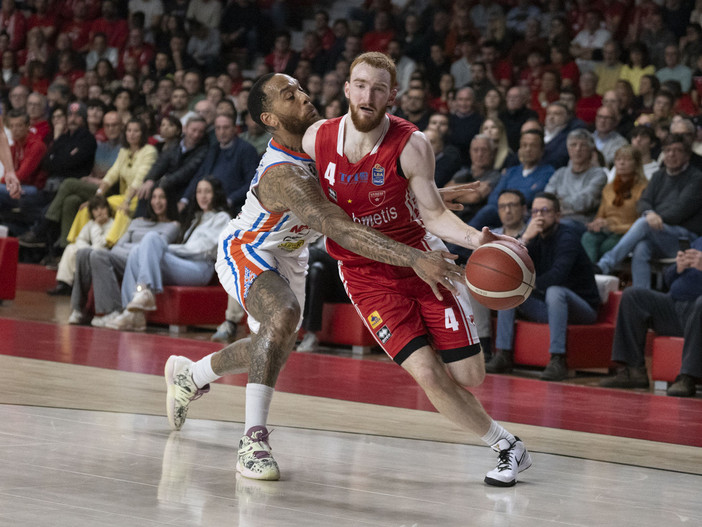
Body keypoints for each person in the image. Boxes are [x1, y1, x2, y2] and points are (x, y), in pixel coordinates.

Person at [163, 71, 468, 483]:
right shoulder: (284, 173)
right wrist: (415, 258)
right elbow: (337, 226)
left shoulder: (328, 140)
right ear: (270, 119)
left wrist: (423, 191)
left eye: (302, 89)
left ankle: (191, 376)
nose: (305, 98)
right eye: (290, 96)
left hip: (293, 255)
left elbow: (362, 190)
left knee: (270, 348)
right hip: (250, 248)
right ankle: (252, 442)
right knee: (282, 315)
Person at [306, 52, 532, 486]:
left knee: (470, 375)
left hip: (424, 263)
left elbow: (433, 215)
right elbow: (332, 203)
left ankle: (442, 338)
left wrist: (479, 240)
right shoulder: (318, 138)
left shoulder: (412, 145)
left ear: (393, 95)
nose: (367, 96)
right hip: (366, 277)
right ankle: (508, 447)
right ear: (347, 88)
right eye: (360, 85)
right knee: (427, 373)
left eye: (378, 88)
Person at [488, 192, 601, 381]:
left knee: (554, 291)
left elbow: (557, 276)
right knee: (511, 288)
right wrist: (525, 239)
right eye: (535, 212)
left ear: (557, 216)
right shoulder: (536, 238)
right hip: (550, 307)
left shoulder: (568, 238)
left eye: (545, 211)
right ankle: (503, 355)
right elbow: (512, 265)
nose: (539, 216)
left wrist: (528, 286)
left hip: (581, 308)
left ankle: (558, 359)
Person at [108, 177, 230, 332]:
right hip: (186, 263)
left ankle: (143, 294)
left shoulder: (222, 218)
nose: (202, 196)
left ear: (216, 194)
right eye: (199, 192)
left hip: (201, 269)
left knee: (152, 239)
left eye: (207, 192)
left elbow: (198, 250)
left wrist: (163, 248)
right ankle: (132, 312)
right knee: (137, 251)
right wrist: (161, 248)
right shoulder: (196, 219)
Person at [595, 134, 702, 288]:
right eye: (668, 150)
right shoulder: (659, 175)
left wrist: (652, 216)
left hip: (686, 239)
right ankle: (641, 298)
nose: (671, 154)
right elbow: (644, 202)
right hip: (659, 233)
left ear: (687, 155)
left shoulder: (696, 178)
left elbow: (680, 210)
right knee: (642, 247)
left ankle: (605, 264)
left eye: (677, 151)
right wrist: (650, 214)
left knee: (644, 223)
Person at [599, 238, 702, 396]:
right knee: (633, 296)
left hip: (697, 311)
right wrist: (678, 268)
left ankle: (688, 377)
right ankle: (634, 371)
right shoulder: (698, 241)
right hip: (675, 306)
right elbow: (668, 279)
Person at [68, 184, 180, 327]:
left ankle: (113, 311)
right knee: (84, 253)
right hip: (121, 258)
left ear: (169, 200)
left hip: (141, 262)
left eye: (162, 197)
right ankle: (79, 309)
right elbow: (117, 247)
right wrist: (136, 247)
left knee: (98, 255)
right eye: (154, 197)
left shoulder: (173, 225)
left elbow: (154, 247)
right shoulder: (138, 221)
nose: (157, 201)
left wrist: (134, 248)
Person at [471, 189, 528, 362]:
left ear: (524, 209)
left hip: (526, 290)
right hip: (491, 288)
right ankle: (483, 343)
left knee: (509, 283)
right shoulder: (490, 235)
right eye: (503, 206)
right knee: (471, 279)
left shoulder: (533, 232)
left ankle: (503, 356)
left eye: (512, 205)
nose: (507, 211)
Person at [470, 129, 555, 229]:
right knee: (488, 212)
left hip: (525, 216)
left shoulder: (548, 172)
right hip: (501, 213)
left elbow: (529, 196)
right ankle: (460, 240)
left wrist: (505, 201)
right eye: (524, 145)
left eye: (533, 145)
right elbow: (493, 198)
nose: (528, 149)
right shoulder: (511, 171)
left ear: (541, 150)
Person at [582, 145, 649, 263]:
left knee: (606, 246)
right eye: (618, 159)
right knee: (588, 238)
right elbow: (600, 215)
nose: (621, 163)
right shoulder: (608, 188)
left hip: (627, 233)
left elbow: (642, 224)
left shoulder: (644, 188)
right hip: (606, 230)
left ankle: (597, 274)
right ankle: (590, 277)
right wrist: (597, 223)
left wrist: (614, 227)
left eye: (627, 159)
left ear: (636, 164)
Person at [544, 129, 607, 236]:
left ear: (591, 149)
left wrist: (558, 204)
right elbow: (546, 199)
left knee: (557, 226)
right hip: (554, 218)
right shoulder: (560, 173)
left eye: (583, 145)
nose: (578, 149)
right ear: (568, 149)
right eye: (573, 145)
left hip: (581, 223)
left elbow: (584, 203)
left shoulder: (598, 174)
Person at [49, 195, 113, 296]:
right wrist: (85, 248)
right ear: (92, 212)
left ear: (108, 209)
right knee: (71, 248)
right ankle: (64, 284)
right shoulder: (91, 223)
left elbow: (99, 246)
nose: (100, 212)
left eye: (102, 208)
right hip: (89, 251)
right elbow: (80, 239)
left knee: (84, 252)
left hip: (102, 255)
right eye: (96, 209)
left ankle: (72, 286)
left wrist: (97, 226)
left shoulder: (111, 224)